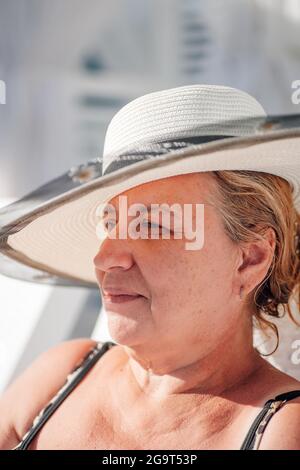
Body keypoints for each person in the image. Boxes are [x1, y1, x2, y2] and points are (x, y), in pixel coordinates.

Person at [0, 84, 299, 450]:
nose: (104, 257)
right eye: (110, 224)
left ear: (249, 260)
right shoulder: (62, 372)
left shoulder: (283, 432)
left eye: (153, 225)